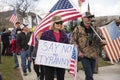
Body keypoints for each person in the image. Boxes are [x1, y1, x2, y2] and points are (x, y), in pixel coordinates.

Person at [70, 12, 106, 80]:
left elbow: (102, 39)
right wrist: (78, 52)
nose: (90, 19)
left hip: (93, 55)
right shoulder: (77, 29)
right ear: (83, 18)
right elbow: (73, 41)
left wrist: (104, 41)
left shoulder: (96, 29)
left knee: (90, 74)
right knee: (89, 75)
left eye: (91, 17)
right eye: (88, 17)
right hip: (84, 55)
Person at [40, 15, 69, 80]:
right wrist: (38, 57)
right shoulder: (46, 34)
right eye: (57, 23)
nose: (59, 24)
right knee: (49, 77)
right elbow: (41, 47)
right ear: (53, 23)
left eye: (61, 23)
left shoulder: (64, 35)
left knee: (61, 77)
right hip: (49, 60)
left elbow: (67, 47)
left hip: (61, 60)